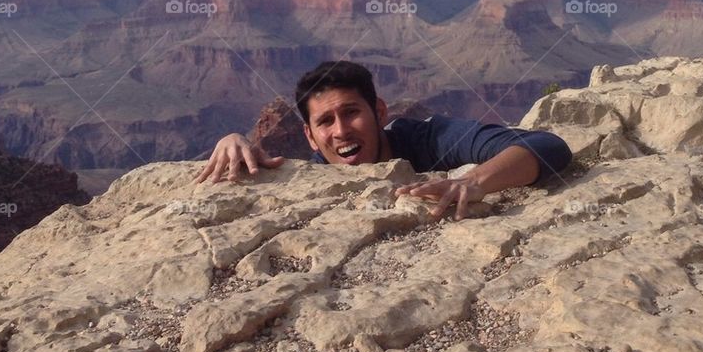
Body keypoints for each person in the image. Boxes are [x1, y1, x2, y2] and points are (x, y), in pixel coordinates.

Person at [196, 59, 572, 221]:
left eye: (351, 112)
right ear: (310, 138)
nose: (341, 131)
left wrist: (471, 182)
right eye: (325, 121)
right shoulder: (313, 176)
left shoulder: (428, 139)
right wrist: (232, 140)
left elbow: (548, 146)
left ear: (379, 112)